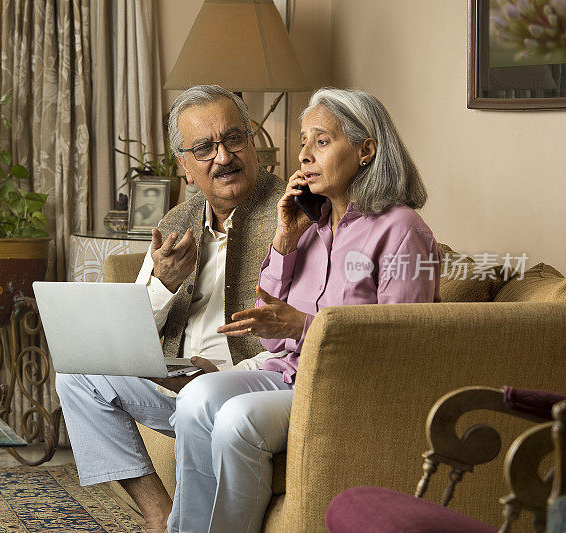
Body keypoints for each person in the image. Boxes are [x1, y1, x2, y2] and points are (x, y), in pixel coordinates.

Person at [154, 87, 440, 532]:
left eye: (321, 141)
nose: (304, 155)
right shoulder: (311, 223)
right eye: (304, 141)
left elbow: (402, 347)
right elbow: (269, 336)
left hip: (344, 386)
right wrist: (285, 239)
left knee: (237, 420)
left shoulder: (402, 230)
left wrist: (304, 326)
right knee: (193, 399)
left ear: (366, 150)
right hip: (286, 372)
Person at [55, 84, 286, 533]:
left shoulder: (290, 216)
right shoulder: (177, 222)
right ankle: (158, 516)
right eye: (204, 148)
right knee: (77, 373)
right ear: (183, 164)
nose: (223, 157)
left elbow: (302, 329)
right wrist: (163, 282)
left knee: (202, 397)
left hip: (240, 391)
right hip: (175, 383)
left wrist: (218, 377)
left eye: (233, 139)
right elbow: (128, 333)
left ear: (252, 143)